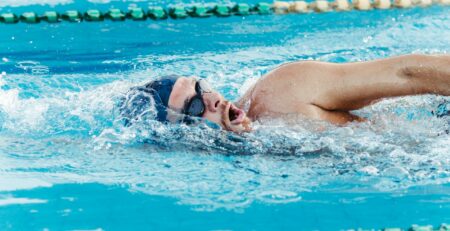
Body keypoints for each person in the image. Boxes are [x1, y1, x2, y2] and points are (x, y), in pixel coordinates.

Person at [120, 54, 450, 133]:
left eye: (200, 86)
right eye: (194, 106)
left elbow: (405, 74)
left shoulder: (282, 92)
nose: (212, 99)